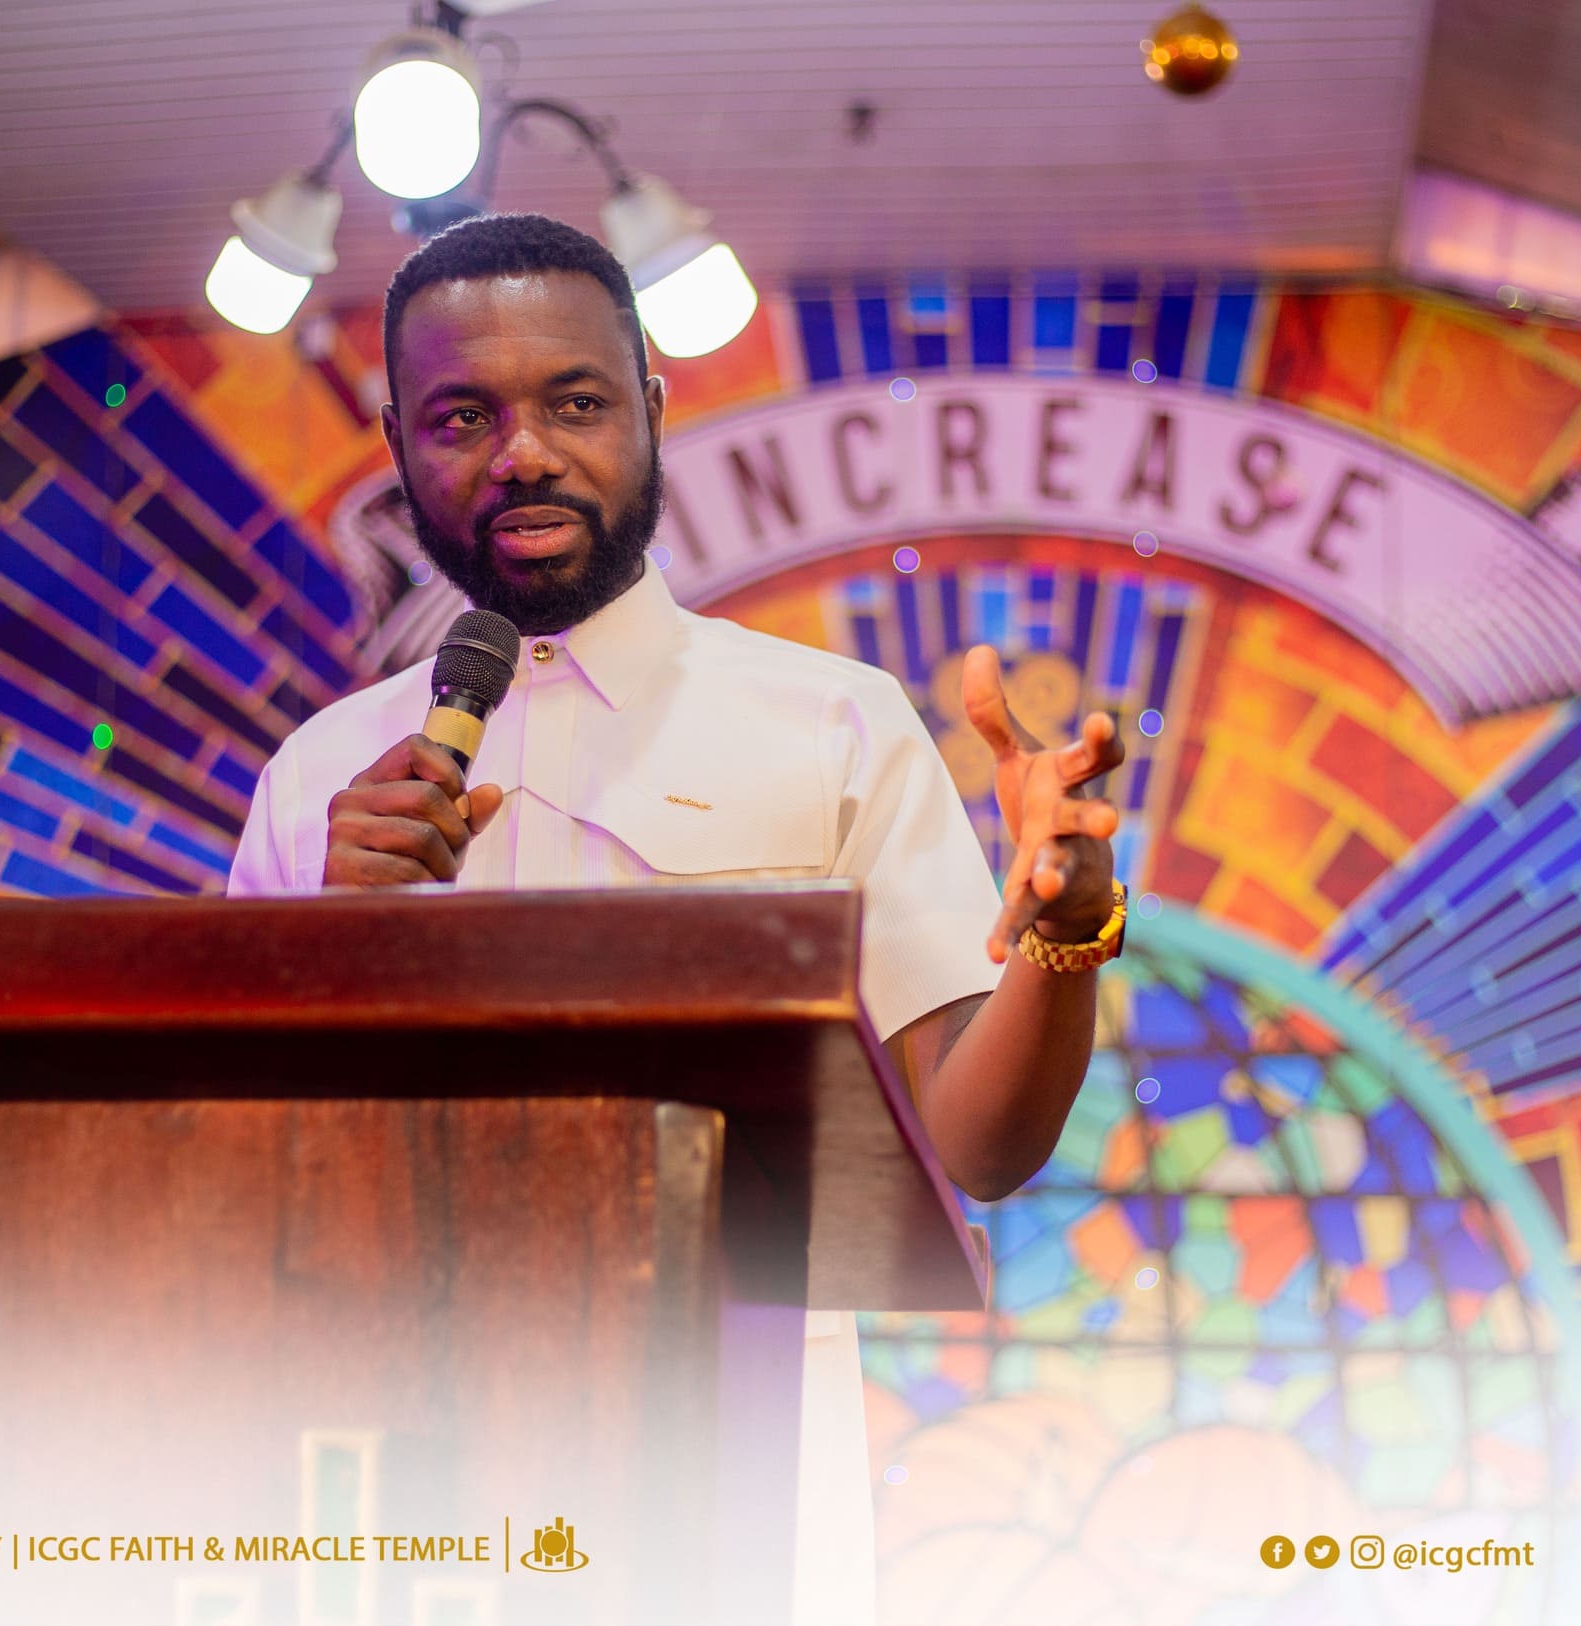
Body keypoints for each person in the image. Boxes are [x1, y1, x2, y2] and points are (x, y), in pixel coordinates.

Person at [227, 213, 1125, 1624]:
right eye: (463, 418)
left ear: (650, 408)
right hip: (396, 1493)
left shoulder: (830, 724)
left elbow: (979, 1146)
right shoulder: (317, 780)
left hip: (732, 1497)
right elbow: (233, 1188)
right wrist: (340, 946)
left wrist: (1063, 937)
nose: (523, 453)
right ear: (399, 447)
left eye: (575, 403)